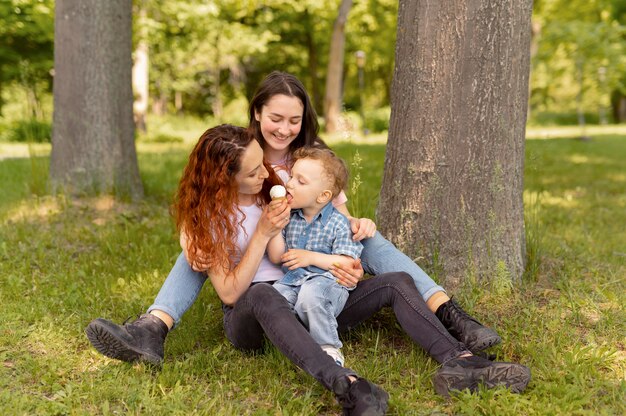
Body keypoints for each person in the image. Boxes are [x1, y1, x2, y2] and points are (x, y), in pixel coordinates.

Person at [86, 125, 530, 415]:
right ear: (224, 180)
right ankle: (347, 384)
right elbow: (228, 294)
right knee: (259, 294)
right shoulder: (207, 220)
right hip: (252, 316)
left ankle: (459, 361)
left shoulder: (273, 185)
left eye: (263, 161)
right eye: (252, 171)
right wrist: (261, 234)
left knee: (394, 281)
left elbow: (326, 199)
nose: (266, 172)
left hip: (310, 292)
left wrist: (353, 239)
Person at [268, 147, 361, 366]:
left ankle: (329, 348)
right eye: (291, 176)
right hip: (292, 282)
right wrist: (274, 225)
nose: (289, 183)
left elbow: (347, 262)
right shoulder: (290, 217)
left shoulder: (339, 222)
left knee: (311, 294)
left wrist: (310, 257)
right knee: (274, 298)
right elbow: (276, 257)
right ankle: (296, 343)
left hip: (328, 284)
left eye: (300, 181)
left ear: (323, 196)